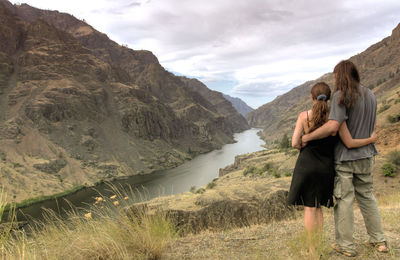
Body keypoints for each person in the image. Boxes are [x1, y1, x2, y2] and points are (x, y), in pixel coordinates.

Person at [302, 60, 387, 257]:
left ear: (339, 76)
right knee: (367, 197)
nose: (334, 80)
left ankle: (346, 246)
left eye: (334, 76)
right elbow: (370, 125)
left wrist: (308, 137)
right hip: (367, 156)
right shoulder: (371, 95)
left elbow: (333, 127)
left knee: (344, 201)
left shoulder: (341, 95)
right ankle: (379, 240)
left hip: (346, 159)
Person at [287, 82, 376, 256]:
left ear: (312, 98)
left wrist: (305, 144)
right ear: (329, 98)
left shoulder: (303, 116)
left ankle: (313, 249)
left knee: (309, 207)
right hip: (326, 167)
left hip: (306, 164)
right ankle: (318, 246)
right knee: (318, 206)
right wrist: (371, 139)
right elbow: (347, 141)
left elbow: (294, 143)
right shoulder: (336, 118)